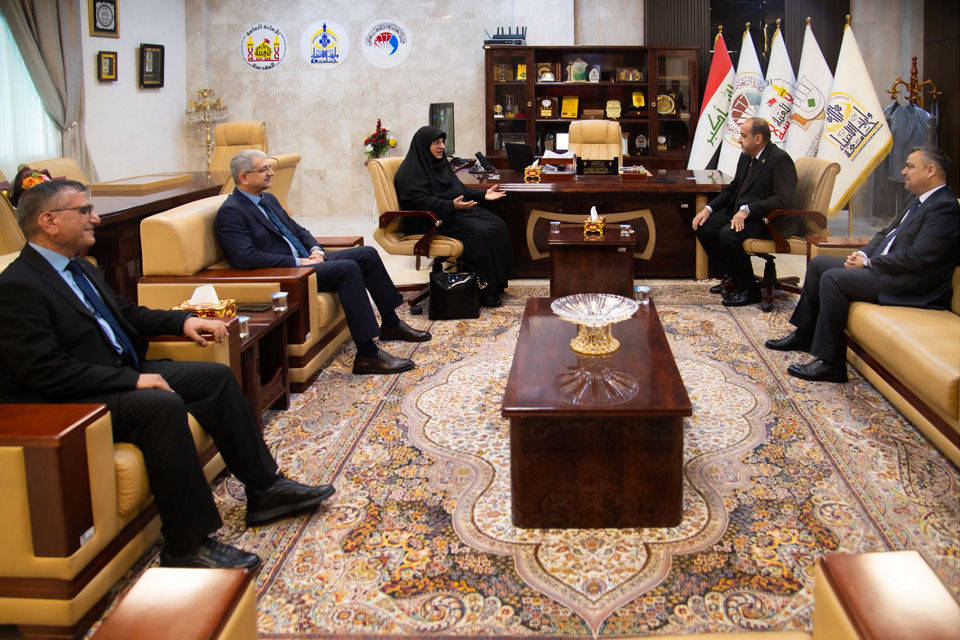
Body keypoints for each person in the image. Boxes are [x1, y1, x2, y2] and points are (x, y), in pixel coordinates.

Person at [0, 180, 336, 571]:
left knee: (215, 378)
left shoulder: (77, 267)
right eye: (85, 211)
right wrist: (131, 382)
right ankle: (186, 544)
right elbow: (42, 370)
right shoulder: (18, 285)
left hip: (120, 372)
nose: (96, 218)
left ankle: (265, 489)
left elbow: (126, 313)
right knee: (161, 406)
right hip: (76, 399)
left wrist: (183, 321)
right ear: (49, 221)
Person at [216, 150, 429, 375]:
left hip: (305, 261)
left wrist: (315, 249)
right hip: (288, 273)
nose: (271, 173)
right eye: (264, 169)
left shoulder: (268, 199)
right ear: (244, 177)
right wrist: (298, 262)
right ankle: (367, 355)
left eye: (269, 167)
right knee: (348, 269)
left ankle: (391, 323)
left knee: (367, 254)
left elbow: (298, 230)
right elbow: (246, 258)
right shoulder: (231, 211)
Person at [766, 146, 959, 382]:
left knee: (834, 279)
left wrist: (870, 263)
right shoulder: (917, 198)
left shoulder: (945, 207)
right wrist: (862, 253)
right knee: (819, 265)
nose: (903, 171)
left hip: (911, 284)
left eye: (909, 166)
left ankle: (831, 364)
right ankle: (806, 334)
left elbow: (918, 257)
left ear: (930, 171)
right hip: (890, 271)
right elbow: (885, 233)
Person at [394, 126, 517, 307]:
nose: (441, 147)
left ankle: (496, 284)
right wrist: (450, 205)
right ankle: (483, 290)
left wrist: (483, 194)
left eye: (442, 142)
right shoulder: (409, 172)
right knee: (480, 232)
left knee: (497, 224)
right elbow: (420, 201)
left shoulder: (440, 164)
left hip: (449, 213)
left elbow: (460, 189)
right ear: (423, 145)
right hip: (427, 221)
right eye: (436, 143)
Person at [692, 117, 800, 306]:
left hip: (769, 220)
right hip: (745, 214)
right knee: (704, 226)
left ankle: (750, 290)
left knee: (729, 235)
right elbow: (734, 188)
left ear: (758, 139)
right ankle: (733, 277)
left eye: (743, 135)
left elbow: (783, 199)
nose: (738, 139)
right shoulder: (746, 155)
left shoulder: (779, 159)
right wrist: (708, 209)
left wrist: (748, 210)